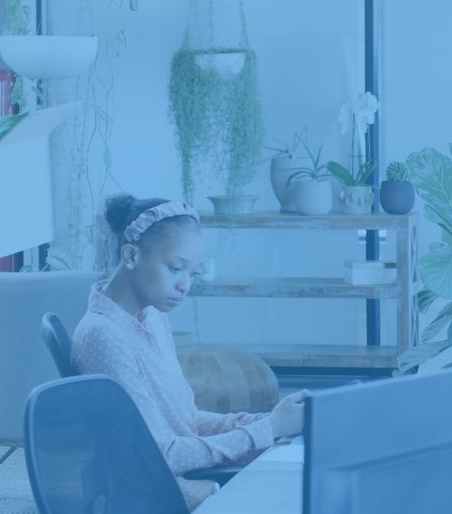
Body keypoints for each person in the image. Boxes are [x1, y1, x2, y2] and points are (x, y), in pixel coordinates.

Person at [72, 194, 307, 510]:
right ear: (130, 255)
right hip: (169, 497)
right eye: (175, 268)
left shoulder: (151, 315)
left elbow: (183, 419)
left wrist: (265, 421)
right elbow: (161, 455)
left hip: (185, 483)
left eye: (193, 273)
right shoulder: (104, 335)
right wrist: (269, 429)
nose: (186, 285)